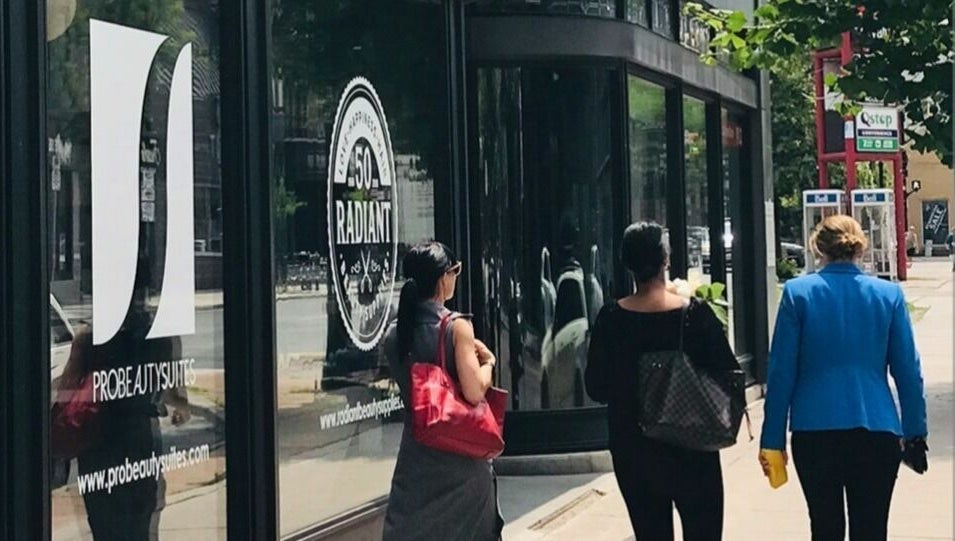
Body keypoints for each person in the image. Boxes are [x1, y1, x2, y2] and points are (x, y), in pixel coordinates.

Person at [760, 215, 928, 541]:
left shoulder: (797, 294)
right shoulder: (888, 295)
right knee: (872, 529)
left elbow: (781, 373)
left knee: (825, 528)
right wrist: (915, 432)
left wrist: (772, 440)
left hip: (814, 431)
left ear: (817, 248)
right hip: (876, 429)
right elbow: (908, 371)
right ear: (860, 248)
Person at [585, 222, 740, 541]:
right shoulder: (695, 314)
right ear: (665, 260)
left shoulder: (611, 319)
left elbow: (596, 386)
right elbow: (728, 374)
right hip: (694, 446)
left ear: (626, 263)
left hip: (634, 450)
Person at [382, 242, 504, 541]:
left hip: (417, 458)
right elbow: (474, 391)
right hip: (461, 460)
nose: (456, 277)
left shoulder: (395, 335)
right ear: (442, 278)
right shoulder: (456, 327)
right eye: (455, 271)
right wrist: (488, 363)